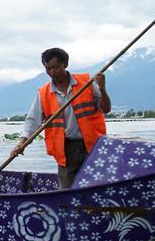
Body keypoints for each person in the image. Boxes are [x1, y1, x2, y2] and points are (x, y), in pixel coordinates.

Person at [11, 48, 111, 189]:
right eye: (48, 69)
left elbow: (105, 109)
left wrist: (102, 88)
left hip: (93, 145)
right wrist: (21, 143)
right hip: (66, 149)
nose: (52, 72)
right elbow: (32, 121)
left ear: (65, 64)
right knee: (66, 190)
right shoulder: (44, 93)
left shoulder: (86, 83)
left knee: (98, 185)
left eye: (56, 67)